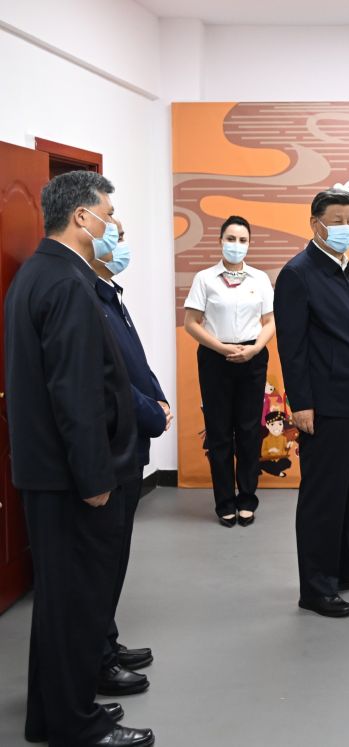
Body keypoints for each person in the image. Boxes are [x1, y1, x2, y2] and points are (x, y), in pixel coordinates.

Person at [4, 170, 153, 746]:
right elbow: (75, 392)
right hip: (72, 478)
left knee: (62, 600)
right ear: (82, 216)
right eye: (108, 214)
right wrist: (95, 478)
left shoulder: (42, 272)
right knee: (75, 602)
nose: (113, 224)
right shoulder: (66, 283)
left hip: (48, 471)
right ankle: (75, 725)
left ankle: (51, 714)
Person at [274, 188, 349, 618]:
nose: (346, 228)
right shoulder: (298, 274)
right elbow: (292, 346)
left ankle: (342, 564)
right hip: (325, 404)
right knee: (323, 496)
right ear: (315, 223)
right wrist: (301, 402)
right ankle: (315, 586)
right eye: (337, 221)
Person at [88, 218, 172, 700]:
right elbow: (110, 379)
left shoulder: (109, 294)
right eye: (115, 234)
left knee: (116, 556)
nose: (121, 245)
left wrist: (158, 399)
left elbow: (135, 365)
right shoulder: (85, 296)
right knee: (102, 561)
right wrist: (153, 412)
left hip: (130, 441)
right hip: (113, 443)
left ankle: (108, 642)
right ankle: (98, 659)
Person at [183, 215, 275, 527]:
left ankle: (247, 499)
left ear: (249, 244)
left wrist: (254, 349)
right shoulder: (205, 279)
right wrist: (222, 349)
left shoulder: (259, 279)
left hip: (252, 356)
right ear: (220, 241)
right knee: (219, 431)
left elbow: (270, 322)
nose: (237, 245)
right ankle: (224, 501)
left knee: (249, 431)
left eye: (243, 240)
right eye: (231, 239)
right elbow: (191, 323)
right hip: (214, 357)